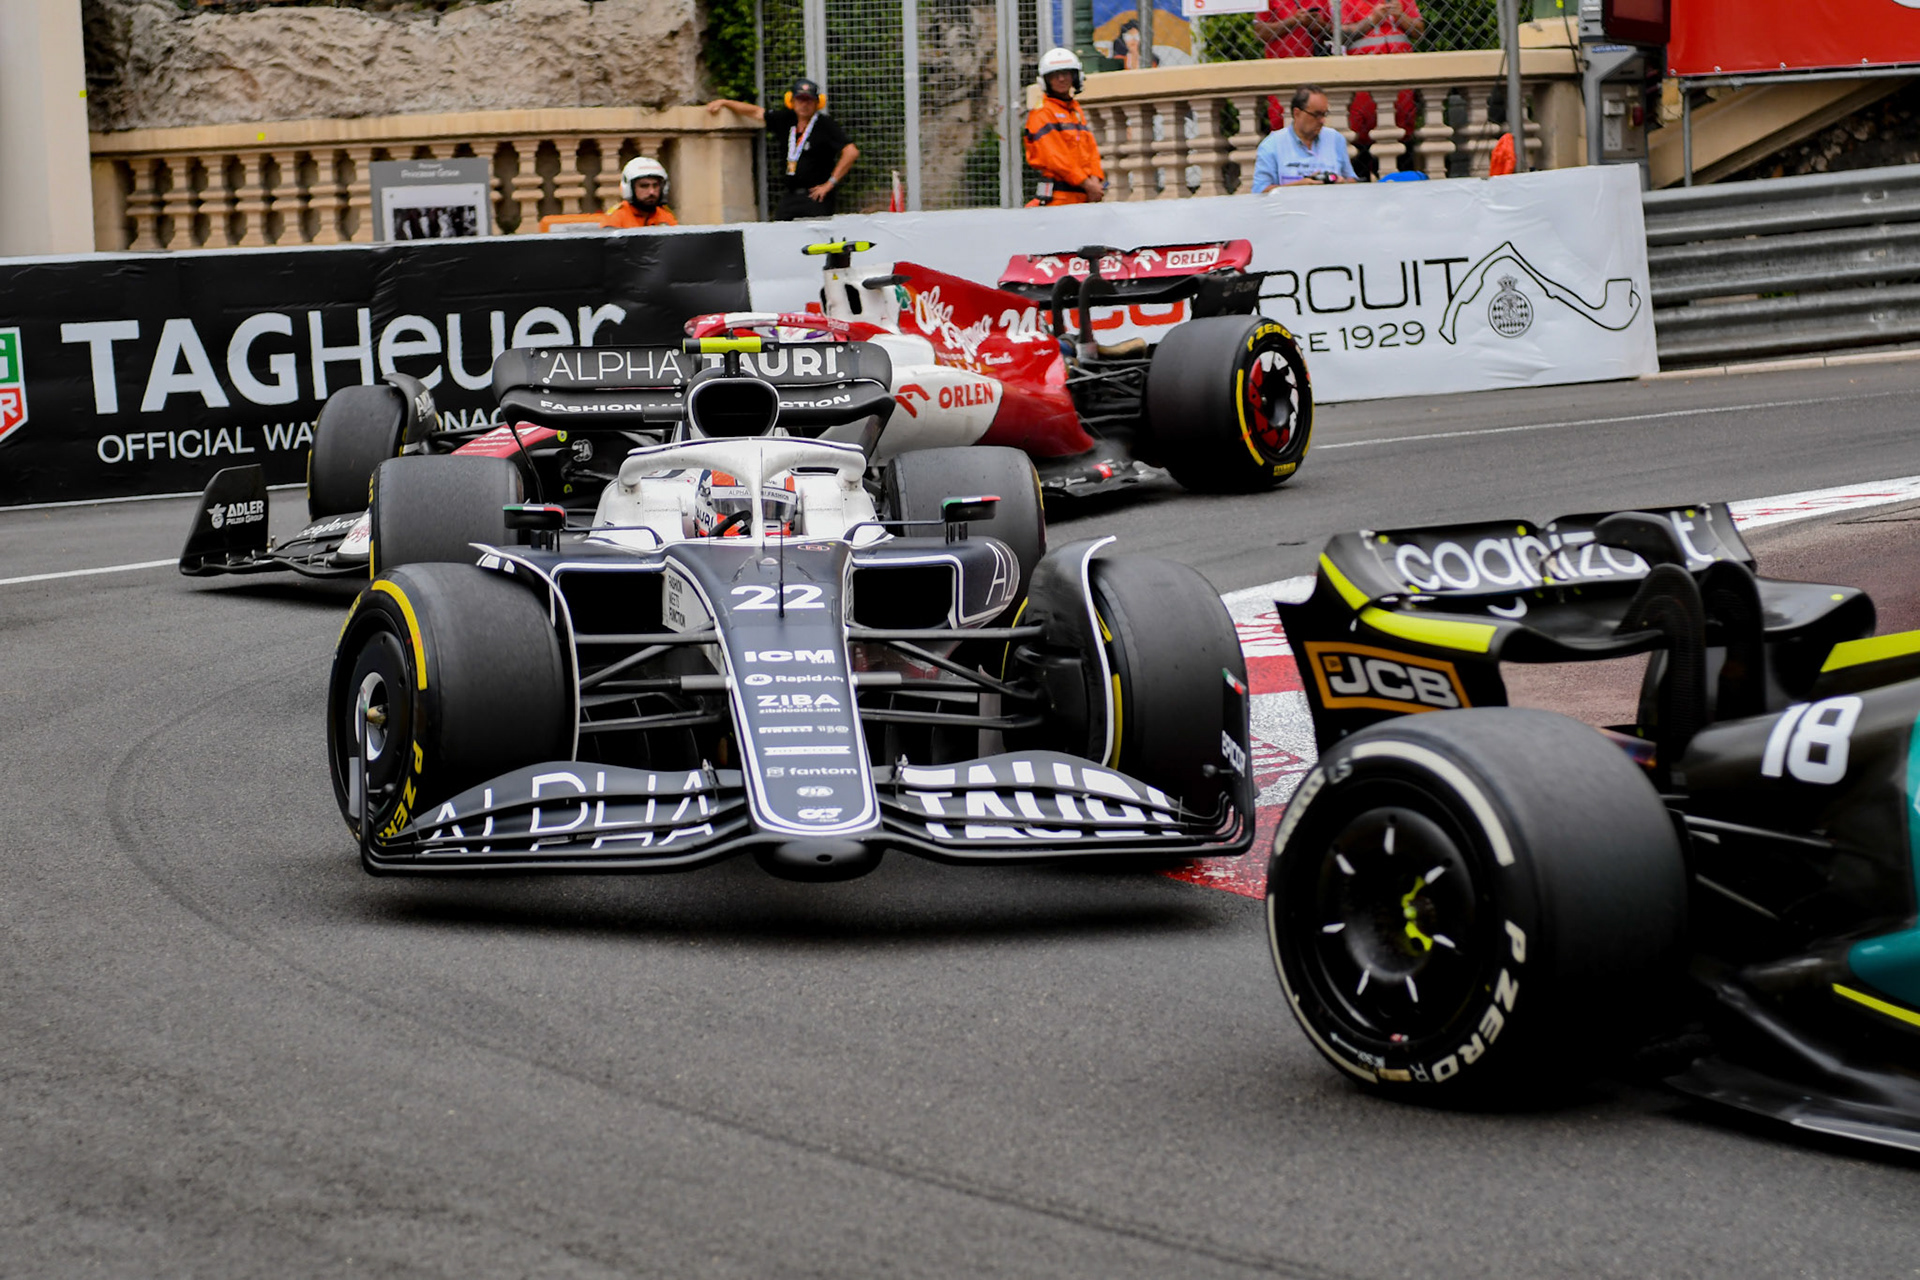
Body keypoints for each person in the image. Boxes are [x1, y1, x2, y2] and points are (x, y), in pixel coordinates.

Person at [706, 79, 858, 220]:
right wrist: (725, 102)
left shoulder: (825, 125)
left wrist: (829, 184)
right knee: (781, 229)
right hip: (791, 195)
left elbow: (851, 151)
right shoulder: (786, 120)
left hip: (816, 196)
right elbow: (756, 112)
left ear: (817, 103)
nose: (804, 104)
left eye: (809, 100)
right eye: (800, 99)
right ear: (791, 101)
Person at [1339, 0, 1422, 175]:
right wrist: (1372, 20)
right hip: (1364, 81)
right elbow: (1341, 35)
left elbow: (1419, 31)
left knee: (1402, 135)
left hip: (1400, 80)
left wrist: (1401, 16)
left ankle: (1404, 182)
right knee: (1362, 137)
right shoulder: (1347, 2)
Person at [1024, 48, 1107, 207]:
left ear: (1075, 77)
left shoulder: (1074, 110)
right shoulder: (1042, 113)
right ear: (1045, 80)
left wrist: (1095, 180)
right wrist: (1088, 184)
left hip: (1084, 196)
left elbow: (1091, 150)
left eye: (1066, 73)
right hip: (1059, 197)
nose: (1061, 79)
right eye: (1054, 75)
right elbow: (1055, 158)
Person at [1251, 85, 1356, 192]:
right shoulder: (1272, 145)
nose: (1322, 121)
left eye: (1324, 114)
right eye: (1316, 115)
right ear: (1297, 113)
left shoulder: (1335, 139)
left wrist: (1343, 183)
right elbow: (1259, 192)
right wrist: (1298, 187)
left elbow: (1352, 181)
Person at [1253, 0, 1330, 132]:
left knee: (1315, 120)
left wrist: (1319, 24)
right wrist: (1293, 21)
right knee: (1281, 121)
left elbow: (1335, 31)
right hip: (1280, 72)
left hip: (1314, 71)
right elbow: (1260, 32)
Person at [601, 156, 678, 228]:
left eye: (655, 185)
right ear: (630, 189)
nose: (651, 192)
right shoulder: (616, 218)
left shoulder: (666, 216)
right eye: (644, 186)